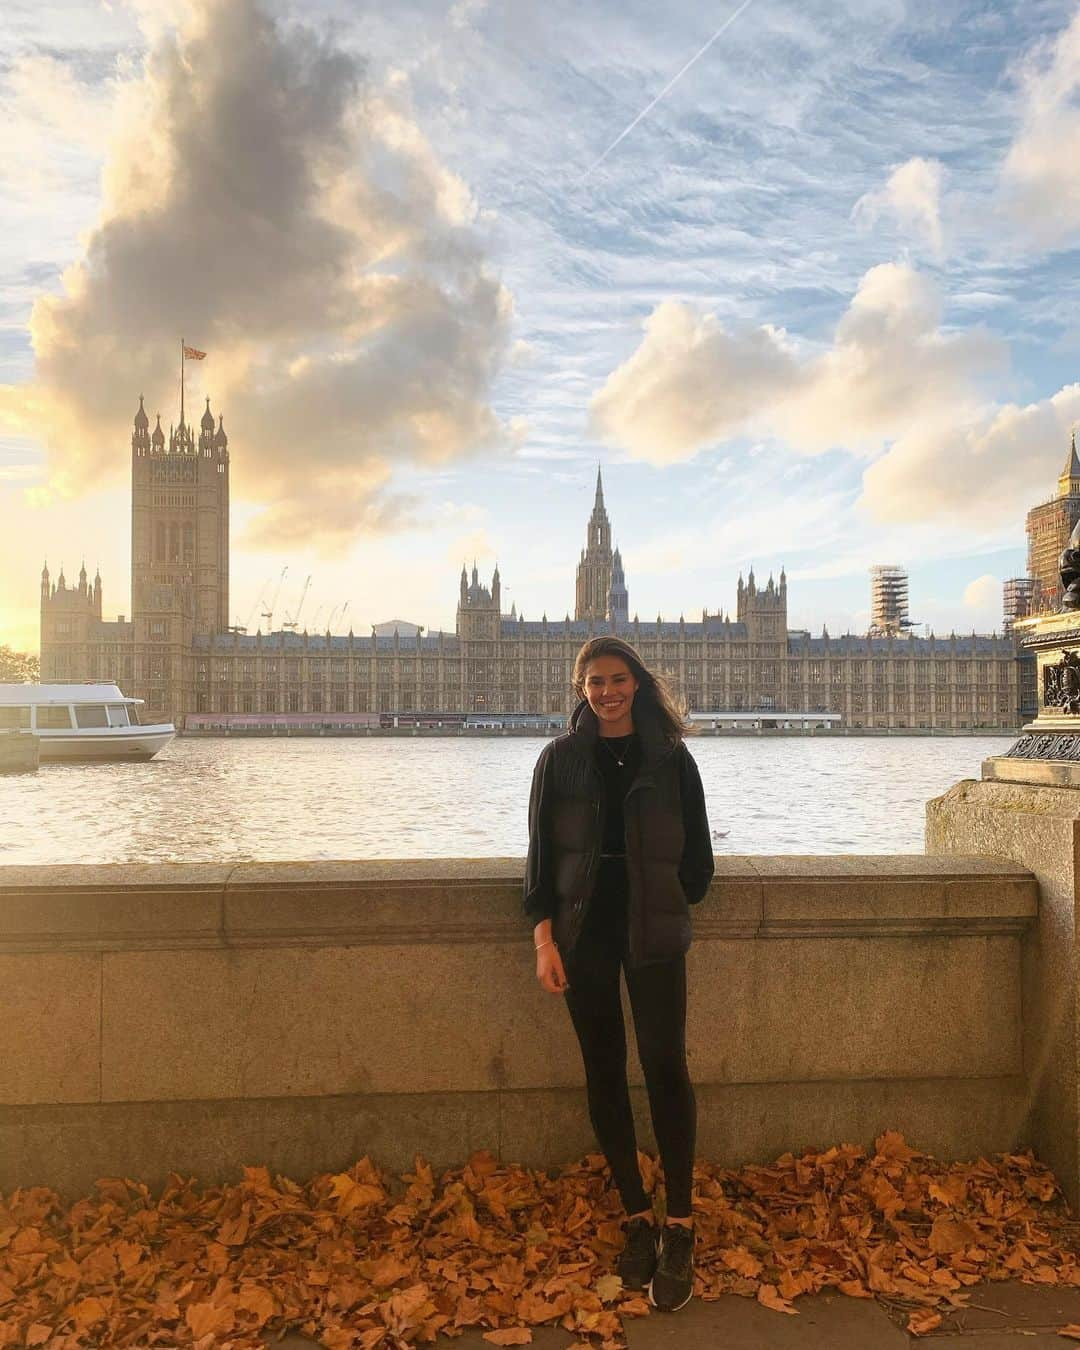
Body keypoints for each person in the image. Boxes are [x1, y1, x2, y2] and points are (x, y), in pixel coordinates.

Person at [523, 635, 715, 1312]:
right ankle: (636, 1216)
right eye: (594, 682)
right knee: (603, 1071)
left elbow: (699, 859)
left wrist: (668, 893)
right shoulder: (559, 759)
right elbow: (540, 863)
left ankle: (680, 1222)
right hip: (585, 937)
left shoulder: (672, 757)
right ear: (581, 690)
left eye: (617, 679)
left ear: (638, 682)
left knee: (667, 1067)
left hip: (654, 933)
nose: (606, 691)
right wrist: (546, 939)